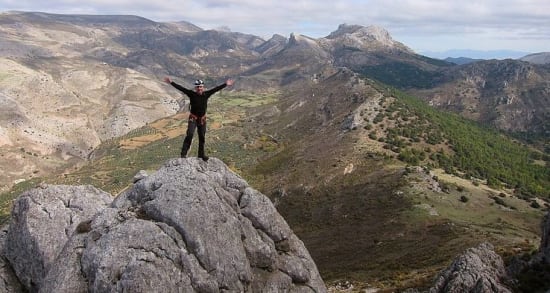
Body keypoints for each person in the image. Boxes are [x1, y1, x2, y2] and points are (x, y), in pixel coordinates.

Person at [164, 76, 234, 161]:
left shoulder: (206, 94)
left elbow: (216, 89)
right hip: (193, 119)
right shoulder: (191, 94)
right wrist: (171, 82)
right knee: (189, 134)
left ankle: (201, 155)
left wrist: (225, 84)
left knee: (202, 137)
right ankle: (183, 154)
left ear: (203, 87)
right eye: (198, 87)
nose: (199, 88)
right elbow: (181, 88)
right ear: (195, 88)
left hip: (202, 120)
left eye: (201, 87)